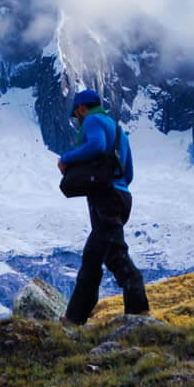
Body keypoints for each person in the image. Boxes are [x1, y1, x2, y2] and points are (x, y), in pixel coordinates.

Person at [58, 89, 150, 326]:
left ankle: (139, 315)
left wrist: (66, 158)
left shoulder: (92, 120)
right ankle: (73, 319)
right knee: (93, 256)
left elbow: (97, 145)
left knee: (116, 256)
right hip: (122, 197)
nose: (77, 119)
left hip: (106, 199)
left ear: (80, 108)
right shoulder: (119, 131)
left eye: (76, 113)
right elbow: (128, 172)